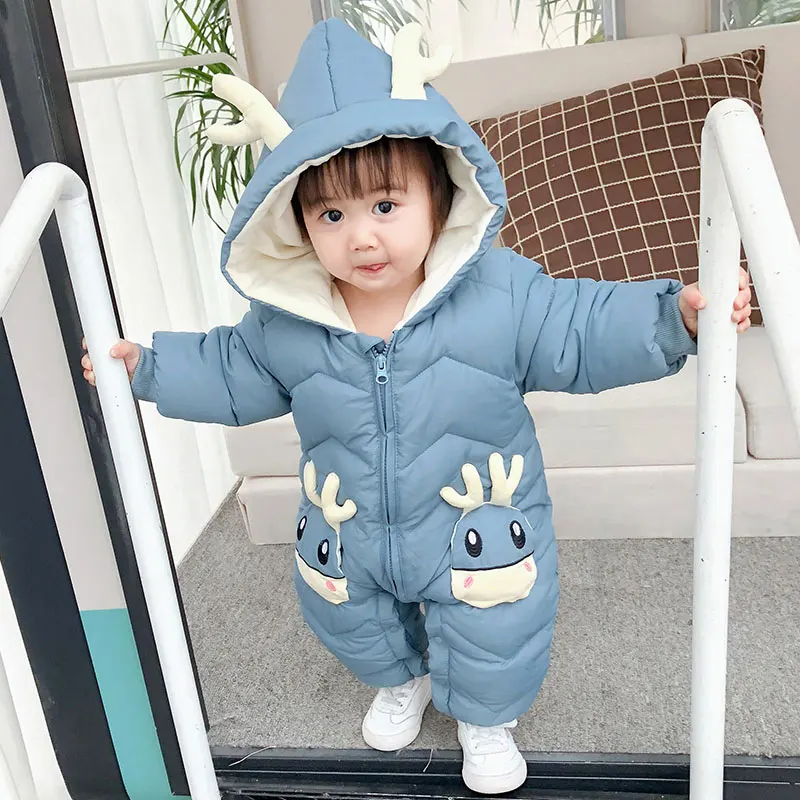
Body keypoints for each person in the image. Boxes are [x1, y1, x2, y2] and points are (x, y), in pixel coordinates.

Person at [81, 20, 752, 795]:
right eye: (331, 216)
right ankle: (403, 679)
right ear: (298, 223)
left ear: (439, 196)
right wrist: (150, 369)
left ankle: (485, 721)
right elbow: (230, 369)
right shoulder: (289, 321)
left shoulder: (501, 293)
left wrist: (673, 319)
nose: (362, 238)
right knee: (348, 616)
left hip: (474, 517)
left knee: (496, 625)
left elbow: (580, 327)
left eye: (385, 204)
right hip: (350, 524)